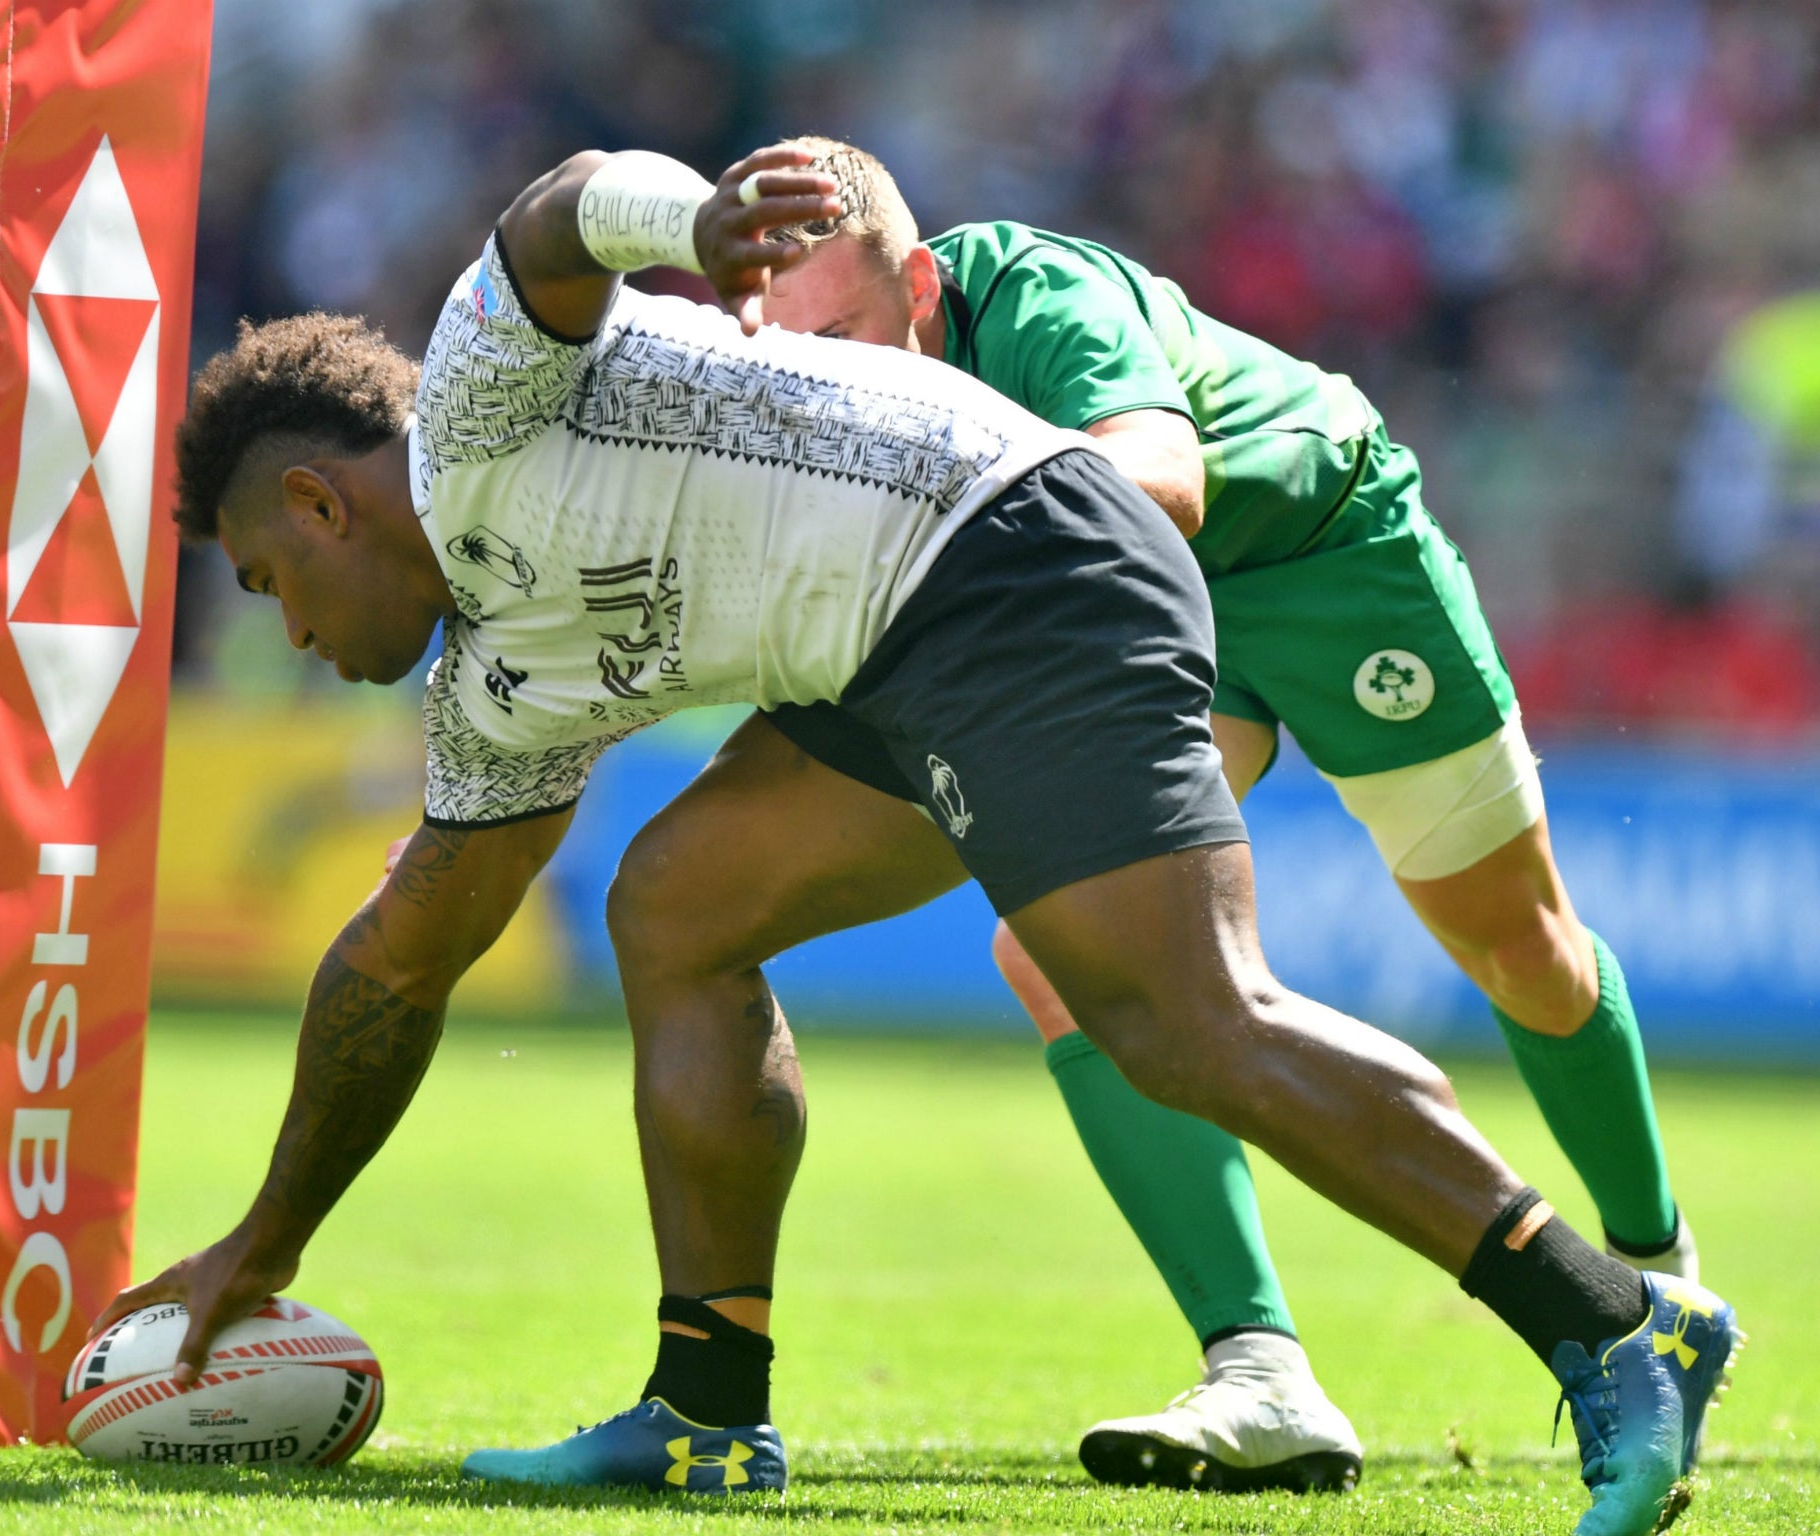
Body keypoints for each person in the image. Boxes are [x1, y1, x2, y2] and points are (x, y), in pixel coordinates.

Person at [100, 145, 1737, 1536]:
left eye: (265, 583)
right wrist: (269, 1238)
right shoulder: (498, 696)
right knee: (676, 906)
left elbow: (573, 205)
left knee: (1182, 1018)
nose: (288, 632)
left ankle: (1617, 1332)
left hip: (1020, 558)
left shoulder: (474, 404)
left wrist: (699, 226)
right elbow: (404, 959)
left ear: (316, 508)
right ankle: (703, 1412)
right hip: (886, 651)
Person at [587, 136, 1701, 1494]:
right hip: (1114, 614)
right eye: (801, 351)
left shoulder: (1040, 295)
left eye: (857, 336)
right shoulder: (807, 394)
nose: (842, 380)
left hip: (1316, 556)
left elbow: (1156, 482)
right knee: (1062, 958)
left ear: (923, 287)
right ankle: (1262, 1376)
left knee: (1517, 948)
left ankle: (1657, 1279)